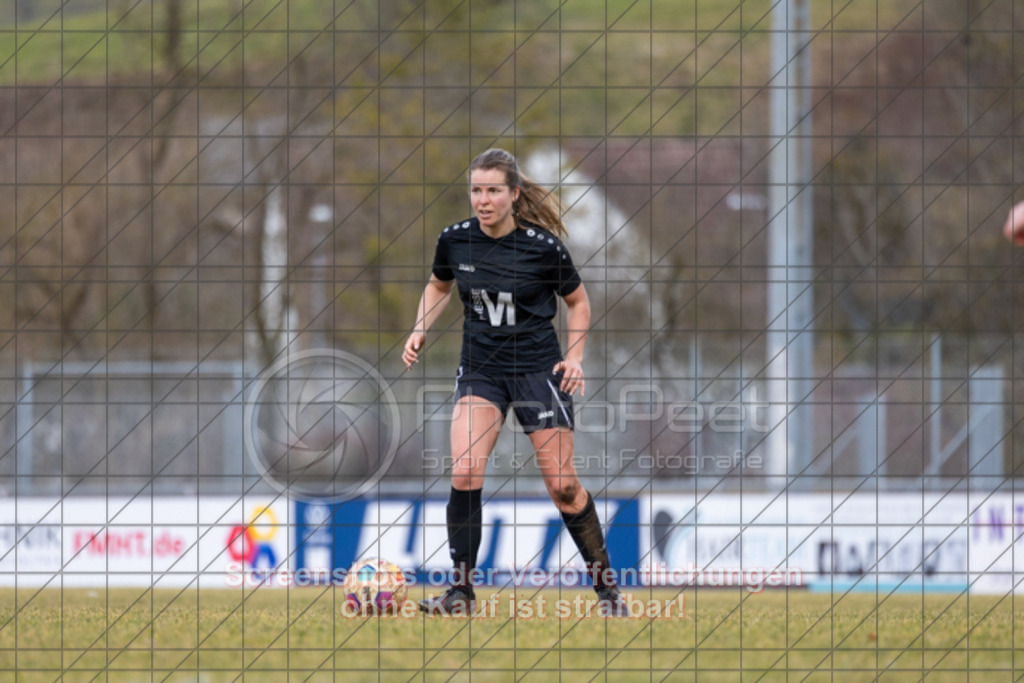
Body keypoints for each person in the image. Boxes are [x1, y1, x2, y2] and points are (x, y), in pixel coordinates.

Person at [402, 148, 627, 616]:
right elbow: (438, 285)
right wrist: (421, 326)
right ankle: (460, 593)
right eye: (476, 190)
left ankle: (607, 591)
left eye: (493, 191)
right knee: (464, 471)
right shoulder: (455, 241)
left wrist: (576, 358)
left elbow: (579, 303)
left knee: (563, 487)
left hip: (539, 373)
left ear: (513, 194)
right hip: (481, 371)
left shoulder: (543, 248)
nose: (482, 200)